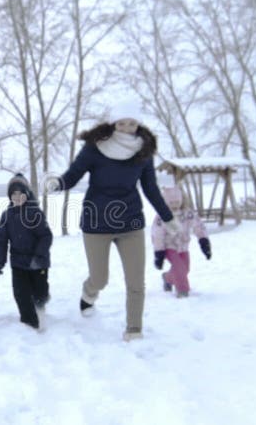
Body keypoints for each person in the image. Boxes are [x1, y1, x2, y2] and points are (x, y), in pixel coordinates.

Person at [46, 117, 181, 341]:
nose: (127, 129)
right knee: (100, 279)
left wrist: (167, 217)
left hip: (131, 223)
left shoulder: (144, 151)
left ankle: (134, 329)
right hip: (96, 223)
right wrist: (57, 183)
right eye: (121, 124)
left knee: (136, 282)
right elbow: (74, 174)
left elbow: (150, 189)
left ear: (139, 123)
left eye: (132, 124)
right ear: (113, 123)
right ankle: (89, 293)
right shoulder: (95, 147)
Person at [0, 173, 53, 330]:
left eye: (21, 193)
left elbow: (46, 236)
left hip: (38, 262)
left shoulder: (35, 213)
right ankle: (29, 323)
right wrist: (0, 262)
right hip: (18, 263)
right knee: (21, 294)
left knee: (40, 293)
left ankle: (41, 304)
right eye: (14, 193)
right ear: (10, 196)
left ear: (27, 194)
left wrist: (39, 255)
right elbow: (1, 241)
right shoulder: (6, 216)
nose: (17, 196)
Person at [151, 186, 212, 298]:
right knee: (179, 268)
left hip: (183, 246)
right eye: (171, 202)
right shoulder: (162, 216)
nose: (174, 204)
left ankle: (167, 278)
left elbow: (199, 226)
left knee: (185, 269)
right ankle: (183, 291)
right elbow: (157, 235)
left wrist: (204, 242)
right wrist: (159, 253)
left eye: (177, 202)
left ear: (182, 200)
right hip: (169, 247)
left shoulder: (188, 213)